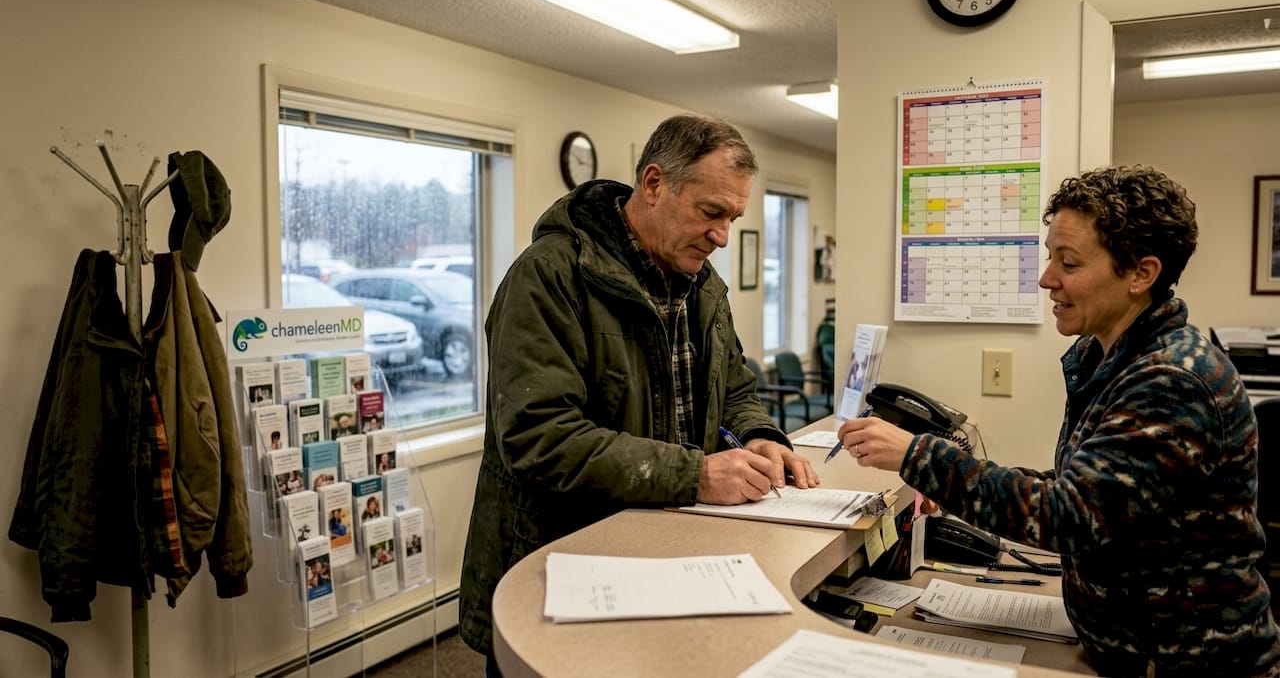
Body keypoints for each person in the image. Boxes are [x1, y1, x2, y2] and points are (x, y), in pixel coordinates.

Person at [836, 166, 1280, 677]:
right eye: (1050, 257)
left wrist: (921, 457)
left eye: (1068, 262)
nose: (1047, 278)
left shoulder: (1172, 381)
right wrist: (949, 477)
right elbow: (1087, 486)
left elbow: (1074, 515)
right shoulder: (1109, 359)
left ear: (1141, 274)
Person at [458, 113, 819, 669]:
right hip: (559, 569)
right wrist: (695, 475)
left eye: (733, 219)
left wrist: (759, 435)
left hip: (667, 558)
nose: (722, 237)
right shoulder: (549, 276)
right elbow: (538, 437)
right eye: (711, 212)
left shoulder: (703, 286)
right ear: (653, 184)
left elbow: (735, 388)